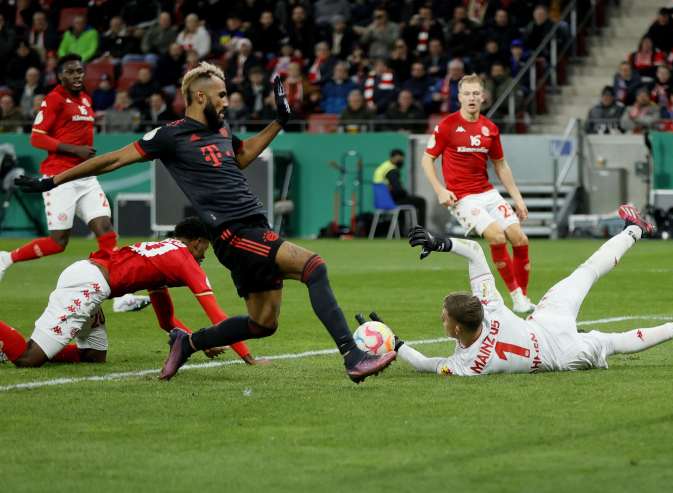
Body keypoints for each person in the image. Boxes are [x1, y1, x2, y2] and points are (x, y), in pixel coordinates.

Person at [16, 62, 396, 384]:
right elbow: (113, 159)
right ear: (200, 97)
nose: (226, 101)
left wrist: (279, 121)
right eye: (220, 95)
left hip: (252, 227)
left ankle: (189, 342)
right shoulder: (170, 135)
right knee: (315, 266)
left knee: (264, 324)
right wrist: (53, 180)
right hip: (234, 231)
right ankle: (352, 356)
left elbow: (242, 156)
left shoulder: (221, 131)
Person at [389, 208, 673, 376]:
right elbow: (476, 252)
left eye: (443, 317)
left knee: (616, 342)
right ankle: (635, 230)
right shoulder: (489, 307)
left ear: (457, 328)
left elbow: (425, 364)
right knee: (587, 272)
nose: (441, 319)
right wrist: (439, 243)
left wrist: (396, 344)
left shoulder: (468, 365)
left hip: (559, 352)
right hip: (549, 326)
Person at [0, 54, 149, 313]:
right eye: (71, 72)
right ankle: (6, 258)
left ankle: (120, 296)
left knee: (106, 231)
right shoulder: (55, 99)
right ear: (60, 76)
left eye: (80, 71)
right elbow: (37, 138)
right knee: (58, 242)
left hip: (86, 177)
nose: (78, 75)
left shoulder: (86, 100)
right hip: (60, 178)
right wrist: (73, 149)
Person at [0, 217, 254, 367]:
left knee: (93, 356)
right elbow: (217, 315)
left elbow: (165, 321)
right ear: (198, 241)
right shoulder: (184, 260)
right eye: (205, 249)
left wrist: (193, 341)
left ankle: (37, 348)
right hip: (90, 284)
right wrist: (247, 356)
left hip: (90, 277)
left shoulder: (164, 254)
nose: (204, 256)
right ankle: (21, 347)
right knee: (27, 358)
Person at [421, 73, 534, 314]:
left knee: (520, 239)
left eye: (476, 93)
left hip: (488, 193)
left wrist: (518, 199)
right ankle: (515, 295)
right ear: (459, 97)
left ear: (483, 97)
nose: (471, 98)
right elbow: (427, 159)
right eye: (467, 94)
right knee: (496, 236)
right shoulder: (448, 126)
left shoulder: (489, 128)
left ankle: (522, 298)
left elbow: (501, 165)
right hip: (462, 196)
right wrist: (440, 190)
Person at [373, 149, 426, 228]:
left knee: (404, 202)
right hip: (391, 201)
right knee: (421, 201)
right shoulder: (391, 170)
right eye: (399, 159)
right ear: (393, 158)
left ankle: (402, 231)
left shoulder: (383, 167)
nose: (400, 161)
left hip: (382, 201)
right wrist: (405, 193)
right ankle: (420, 230)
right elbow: (398, 189)